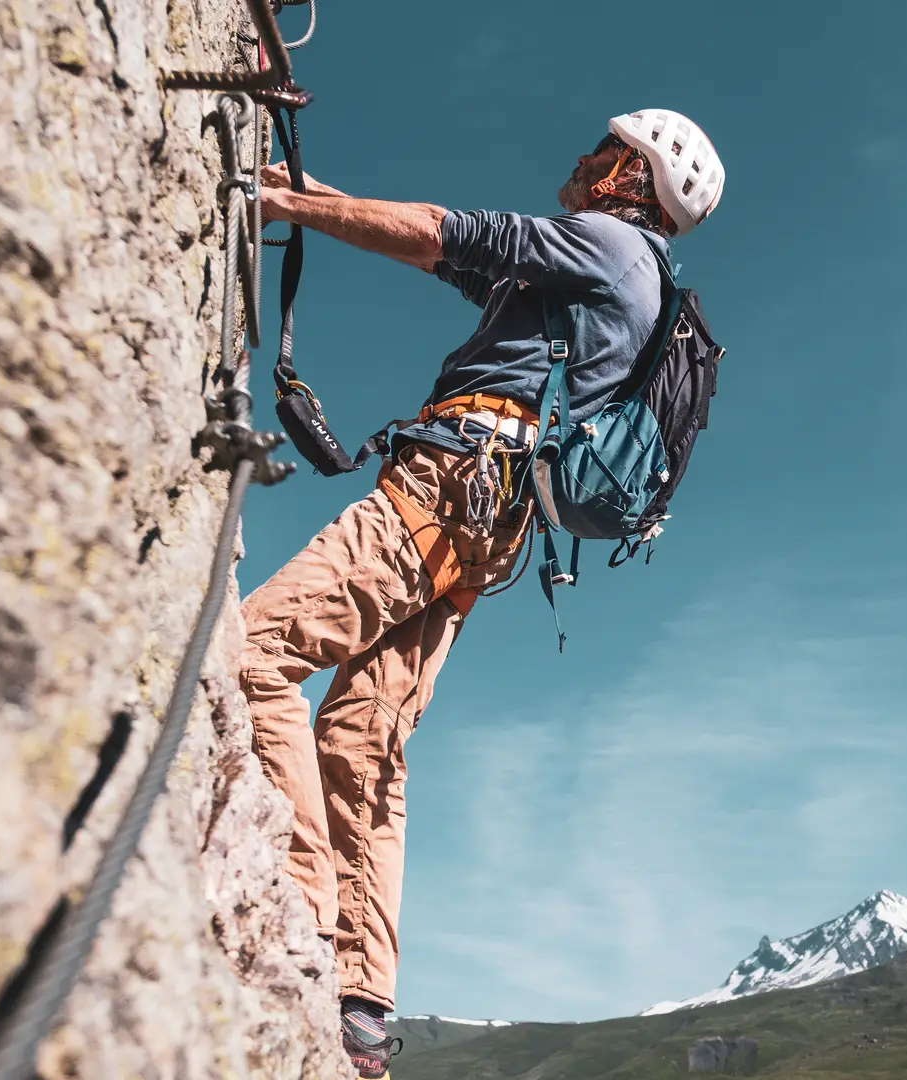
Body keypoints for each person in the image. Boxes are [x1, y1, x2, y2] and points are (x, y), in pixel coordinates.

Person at [237, 109, 724, 1079]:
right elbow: (451, 263)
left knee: (251, 656)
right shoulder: (625, 278)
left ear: (633, 176)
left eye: (604, 149)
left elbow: (447, 231)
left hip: (449, 482)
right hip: (493, 521)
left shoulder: (605, 241)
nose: (583, 157)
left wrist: (277, 201)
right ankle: (361, 1003)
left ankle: (298, 917)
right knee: (363, 740)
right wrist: (312, 192)